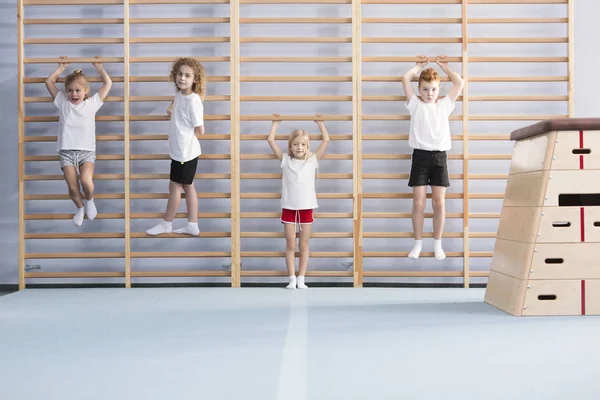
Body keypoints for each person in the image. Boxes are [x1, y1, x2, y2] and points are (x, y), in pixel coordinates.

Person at [400, 55, 464, 260]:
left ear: (439, 90)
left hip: (439, 158)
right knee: (418, 203)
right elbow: (405, 78)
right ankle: (417, 243)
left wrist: (444, 67)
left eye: (434, 89)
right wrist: (418, 67)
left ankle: (438, 243)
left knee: (439, 203)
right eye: (426, 89)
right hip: (420, 157)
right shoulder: (414, 104)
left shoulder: (444, 105)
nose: (430, 93)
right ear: (419, 90)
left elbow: (459, 82)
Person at [45, 56, 112, 226]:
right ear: (66, 91)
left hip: (86, 151)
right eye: (70, 90)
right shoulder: (62, 102)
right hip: (66, 152)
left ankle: (89, 200)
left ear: (85, 92)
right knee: (73, 188)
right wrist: (61, 68)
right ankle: (80, 207)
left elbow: (107, 84)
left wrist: (99, 68)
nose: (74, 94)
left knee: (86, 181)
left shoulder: (92, 103)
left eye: (77, 90)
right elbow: (49, 82)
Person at [267, 113, 330, 289]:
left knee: (303, 244)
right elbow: (271, 141)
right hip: (288, 207)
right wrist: (275, 124)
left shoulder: (312, 160)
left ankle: (301, 278)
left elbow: (325, 141)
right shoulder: (286, 160)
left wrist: (321, 124)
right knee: (290, 243)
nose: (299, 147)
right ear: (290, 147)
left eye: (303, 144)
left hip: (306, 207)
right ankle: (292, 278)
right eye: (295, 144)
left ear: (307, 146)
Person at [146, 57, 207, 236]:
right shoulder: (180, 95)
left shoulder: (193, 100)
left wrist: (185, 134)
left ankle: (168, 223)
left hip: (185, 153)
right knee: (187, 186)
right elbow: (178, 114)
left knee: (175, 187)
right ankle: (192, 224)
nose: (182, 78)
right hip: (180, 151)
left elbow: (201, 130)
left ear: (195, 79)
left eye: (188, 75)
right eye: (180, 74)